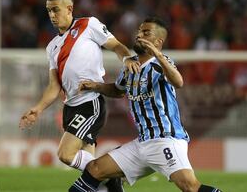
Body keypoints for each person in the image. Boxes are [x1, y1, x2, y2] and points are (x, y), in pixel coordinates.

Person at [69, 17, 222, 192]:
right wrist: (96, 86)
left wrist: (158, 54)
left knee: (190, 187)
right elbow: (118, 91)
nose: (139, 35)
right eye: (139, 31)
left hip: (166, 139)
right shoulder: (130, 65)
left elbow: (178, 81)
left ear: (158, 41)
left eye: (145, 32)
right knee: (95, 169)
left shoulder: (161, 64)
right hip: (142, 143)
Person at [18, 0, 139, 191]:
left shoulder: (88, 25)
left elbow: (116, 45)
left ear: (69, 9)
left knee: (65, 154)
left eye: (56, 10)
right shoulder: (52, 47)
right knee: (91, 169)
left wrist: (127, 59)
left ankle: (112, 177)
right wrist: (37, 109)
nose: (52, 15)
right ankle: (110, 185)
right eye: (49, 11)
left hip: (89, 103)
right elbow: (54, 86)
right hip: (70, 107)